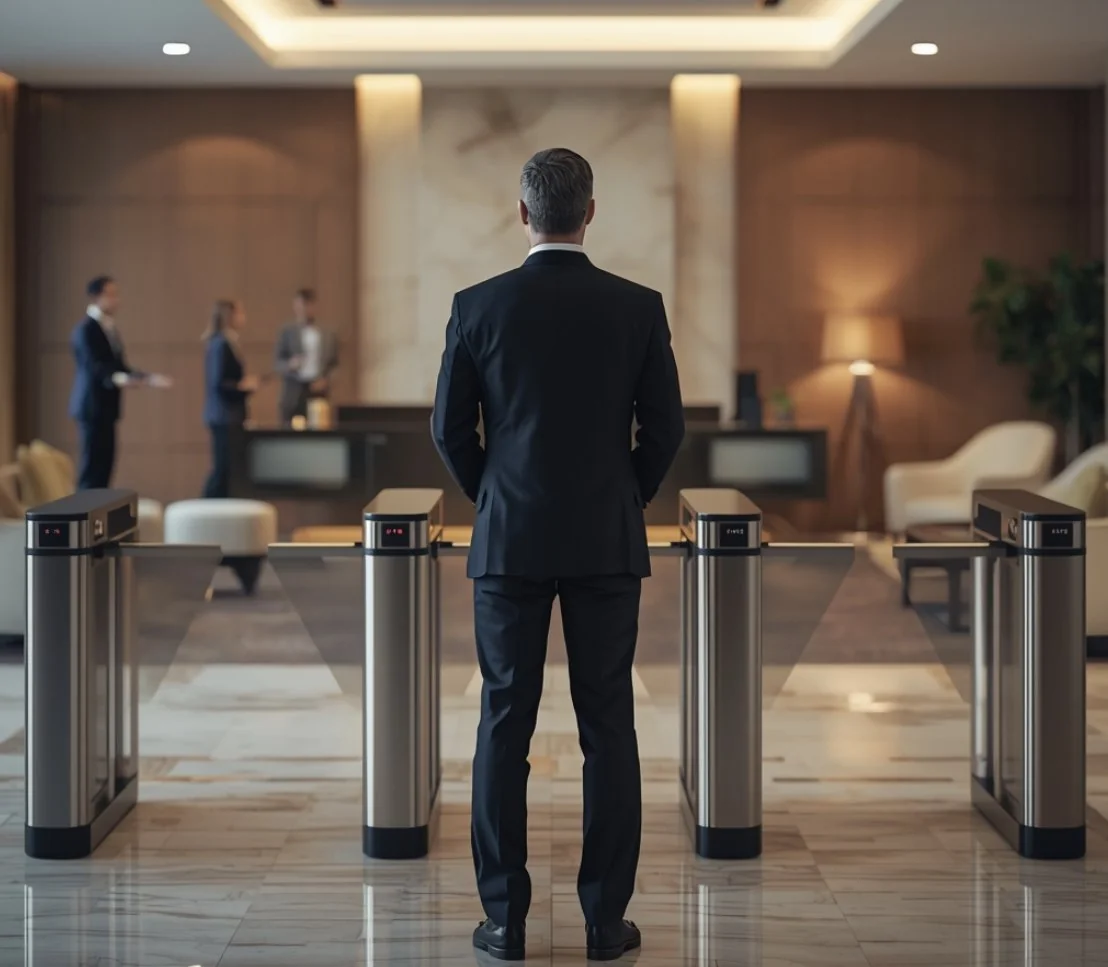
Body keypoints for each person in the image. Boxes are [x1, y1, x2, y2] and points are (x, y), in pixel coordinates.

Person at [431, 148, 685, 962]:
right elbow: (667, 427)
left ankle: (504, 920)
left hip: (509, 539)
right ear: (591, 212)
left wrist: (493, 494)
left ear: (523, 213)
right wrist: (626, 493)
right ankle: (605, 922)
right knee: (608, 725)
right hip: (605, 537)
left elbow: (448, 429)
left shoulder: (477, 305)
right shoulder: (637, 306)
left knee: (504, 721)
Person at [68, 275, 171, 490]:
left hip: (107, 408)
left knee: (105, 468)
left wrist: (147, 378)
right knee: (92, 469)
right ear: (96, 296)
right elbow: (95, 367)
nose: (116, 300)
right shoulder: (85, 329)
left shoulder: (110, 329)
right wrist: (121, 379)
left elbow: (119, 366)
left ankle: (99, 510)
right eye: (111, 294)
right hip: (92, 407)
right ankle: (84, 510)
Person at [202, 299, 258, 499]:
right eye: (240, 313)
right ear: (230, 316)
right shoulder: (220, 344)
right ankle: (206, 508)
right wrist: (243, 387)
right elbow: (219, 383)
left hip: (232, 416)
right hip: (224, 416)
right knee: (222, 470)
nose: (244, 317)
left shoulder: (230, 342)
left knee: (230, 469)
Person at [274, 287, 338, 426]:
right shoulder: (287, 332)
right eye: (300, 306)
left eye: (307, 305)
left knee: (320, 426)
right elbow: (278, 363)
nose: (304, 310)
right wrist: (290, 364)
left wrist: (326, 379)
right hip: (294, 389)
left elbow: (334, 364)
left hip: (318, 389)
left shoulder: (327, 334)